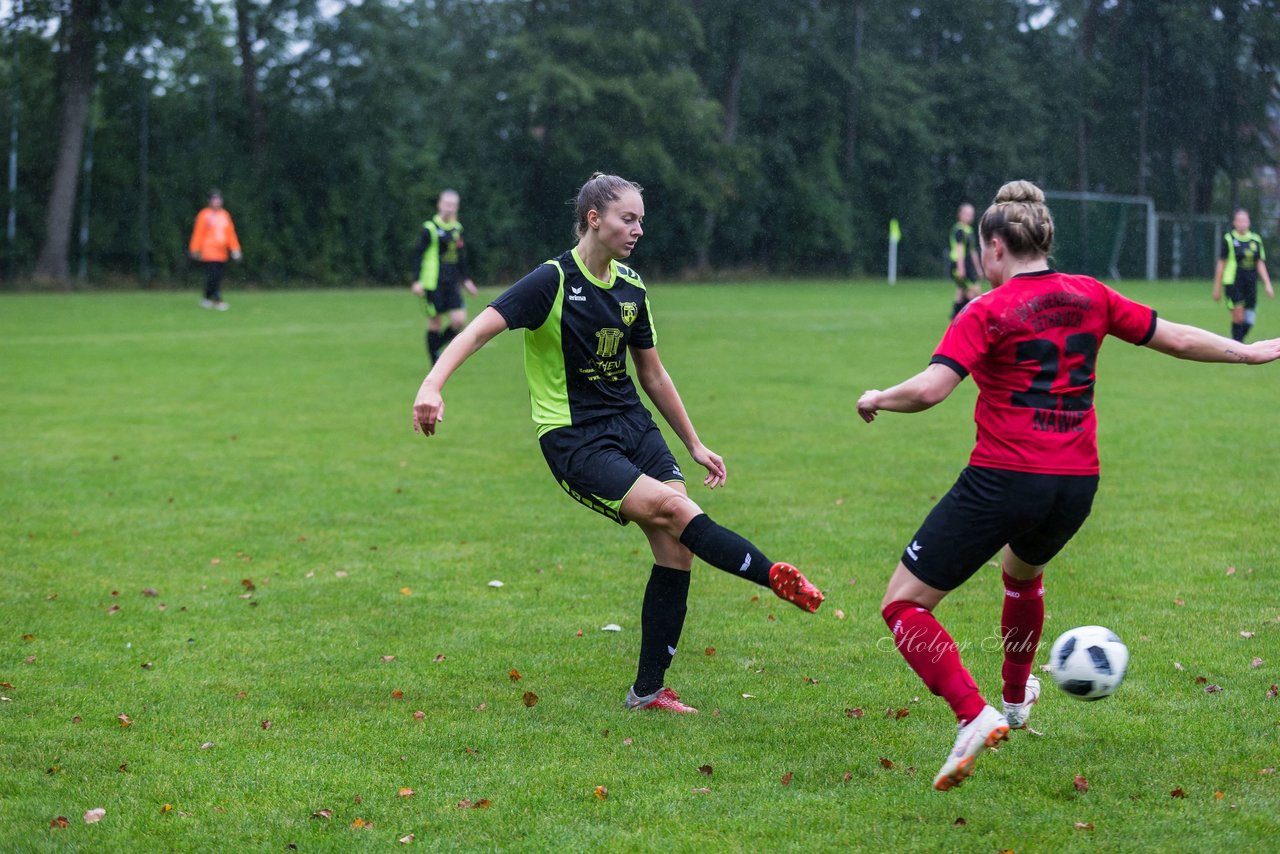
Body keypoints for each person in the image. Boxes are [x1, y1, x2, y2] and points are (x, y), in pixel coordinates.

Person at [856, 180, 1280, 791]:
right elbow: (1179, 338)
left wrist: (877, 398)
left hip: (1005, 477)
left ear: (997, 247)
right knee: (1021, 573)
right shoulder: (1091, 295)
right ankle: (1015, 700)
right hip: (1076, 483)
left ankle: (972, 715)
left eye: (984, 251)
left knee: (903, 603)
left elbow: (929, 390)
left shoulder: (987, 309)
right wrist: (1244, 354)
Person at [412, 172, 824, 713]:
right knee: (676, 509)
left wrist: (695, 444)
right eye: (628, 219)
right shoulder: (551, 280)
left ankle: (647, 691)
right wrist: (431, 385)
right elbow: (476, 330)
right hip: (576, 440)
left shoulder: (631, 286)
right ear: (594, 219)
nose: (637, 230)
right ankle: (770, 573)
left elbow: (652, 375)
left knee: (677, 547)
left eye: (640, 221)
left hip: (633, 427)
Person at [411, 189, 479, 363]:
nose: (450, 208)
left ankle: (435, 348)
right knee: (435, 322)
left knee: (459, 320)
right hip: (432, 283)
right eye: (447, 204)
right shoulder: (430, 229)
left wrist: (466, 280)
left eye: (453, 205)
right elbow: (417, 255)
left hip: (452, 283)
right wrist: (416, 280)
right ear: (439, 204)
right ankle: (435, 359)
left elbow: (461, 257)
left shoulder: (457, 229)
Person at [1212, 208, 1273, 342]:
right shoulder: (1229, 239)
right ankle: (1238, 348)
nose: (1242, 223)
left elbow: (1260, 263)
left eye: (1244, 220)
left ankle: (1235, 344)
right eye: (1239, 221)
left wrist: (1268, 284)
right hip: (1233, 282)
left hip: (1250, 284)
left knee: (1249, 320)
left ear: (1249, 222)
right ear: (1234, 223)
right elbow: (1221, 264)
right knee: (1239, 317)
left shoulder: (1255, 240)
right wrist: (1216, 288)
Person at [188, 190, 242, 310]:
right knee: (214, 276)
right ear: (210, 201)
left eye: (218, 199)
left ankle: (206, 299)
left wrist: (235, 249)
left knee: (216, 277)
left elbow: (230, 234)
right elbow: (198, 233)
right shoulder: (204, 215)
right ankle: (218, 300)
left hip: (221, 253)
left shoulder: (225, 215)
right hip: (208, 251)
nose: (217, 202)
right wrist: (194, 249)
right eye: (214, 199)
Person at [949, 203, 983, 319]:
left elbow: (972, 252)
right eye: (967, 213)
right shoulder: (959, 230)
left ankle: (956, 317)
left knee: (961, 292)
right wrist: (961, 268)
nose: (969, 216)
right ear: (960, 215)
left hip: (968, 265)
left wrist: (978, 268)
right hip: (958, 265)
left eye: (971, 214)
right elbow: (959, 250)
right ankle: (964, 317)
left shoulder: (969, 231)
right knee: (973, 291)